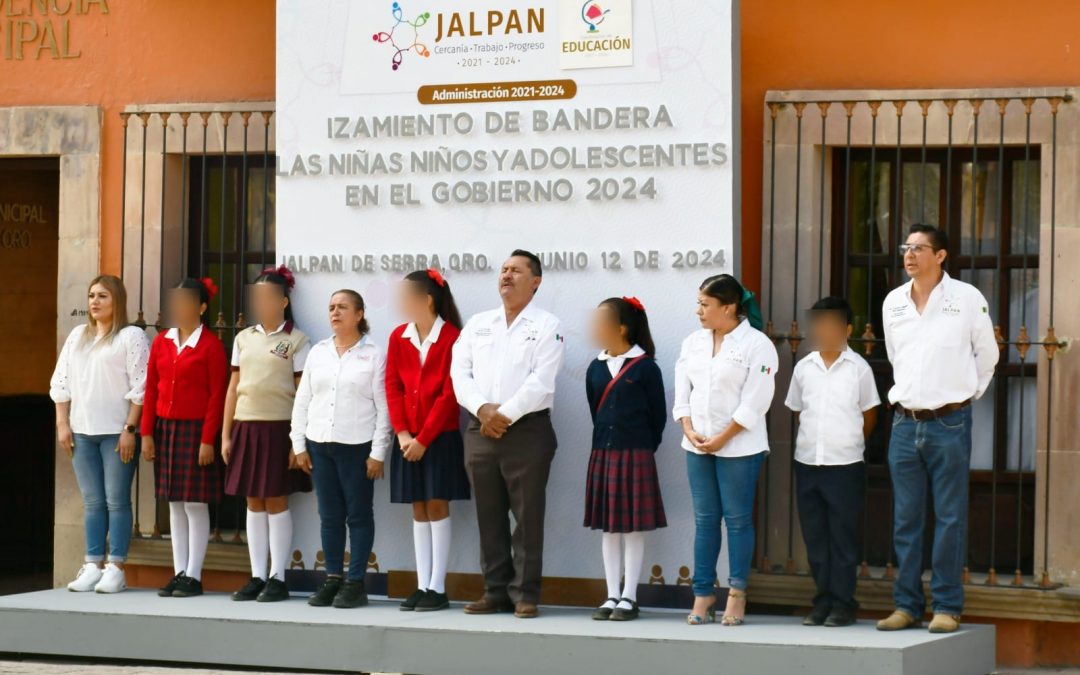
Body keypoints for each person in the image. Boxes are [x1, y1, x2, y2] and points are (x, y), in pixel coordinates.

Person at [877, 224, 998, 634]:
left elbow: (988, 355)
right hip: (904, 424)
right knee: (905, 519)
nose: (909, 254)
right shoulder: (893, 302)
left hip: (949, 421)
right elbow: (897, 357)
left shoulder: (966, 299)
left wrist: (962, 398)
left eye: (919, 248)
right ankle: (906, 605)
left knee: (949, 517)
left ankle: (947, 605)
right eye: (905, 247)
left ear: (941, 255)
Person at [451, 249, 564, 619]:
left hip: (527, 431)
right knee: (489, 515)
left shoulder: (547, 325)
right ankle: (495, 591)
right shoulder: (478, 324)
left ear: (535, 282)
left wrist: (504, 414)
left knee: (528, 516)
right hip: (480, 429)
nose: (506, 275)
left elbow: (541, 380)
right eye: (503, 269)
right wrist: (483, 410)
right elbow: (459, 374)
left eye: (516, 270)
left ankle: (525, 594)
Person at [674, 274, 777, 626]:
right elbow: (681, 391)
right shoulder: (692, 342)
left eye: (705, 304)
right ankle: (703, 593)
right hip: (697, 444)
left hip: (740, 446)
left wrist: (723, 436)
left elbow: (757, 399)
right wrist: (688, 428)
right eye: (698, 302)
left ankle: (736, 593)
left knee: (736, 520)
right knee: (704, 521)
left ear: (729, 307)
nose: (698, 310)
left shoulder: (757, 344)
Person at [291, 289, 391, 609]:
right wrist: (299, 443)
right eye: (331, 307)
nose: (334, 312)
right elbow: (303, 400)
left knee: (359, 516)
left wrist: (378, 452)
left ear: (359, 314)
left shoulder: (374, 354)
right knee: (329, 516)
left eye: (342, 307)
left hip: (357, 447)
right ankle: (332, 579)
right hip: (320, 445)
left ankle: (356, 583)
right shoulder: (319, 352)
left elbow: (384, 408)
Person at [50, 275, 149, 594]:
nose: (94, 301)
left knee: (116, 500)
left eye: (103, 296)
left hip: (116, 434)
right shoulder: (78, 335)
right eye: (91, 295)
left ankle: (115, 566)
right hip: (82, 433)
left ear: (117, 300)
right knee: (92, 501)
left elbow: (141, 387)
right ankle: (92, 563)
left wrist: (130, 430)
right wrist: (63, 424)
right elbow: (60, 383)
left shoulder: (131, 336)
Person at [785, 296, 880, 627]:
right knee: (815, 538)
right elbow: (799, 411)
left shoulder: (859, 369)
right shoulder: (803, 367)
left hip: (845, 465)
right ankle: (822, 600)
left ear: (848, 329)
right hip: (808, 461)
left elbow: (869, 414)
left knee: (842, 537)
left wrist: (849, 442)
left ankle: (843, 603)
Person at [222, 266, 311, 603]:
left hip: (279, 428)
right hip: (246, 425)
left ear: (283, 301)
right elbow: (233, 388)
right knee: (253, 501)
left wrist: (296, 441)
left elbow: (303, 392)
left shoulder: (297, 341)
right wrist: (225, 435)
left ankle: (278, 577)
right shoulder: (243, 338)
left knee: (275, 500)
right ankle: (257, 575)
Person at [385, 269, 470, 613]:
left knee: (436, 505)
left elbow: (451, 394)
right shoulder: (398, 337)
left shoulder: (453, 337)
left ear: (427, 299)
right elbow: (392, 387)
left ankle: (438, 586)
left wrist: (424, 437)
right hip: (408, 439)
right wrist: (404, 434)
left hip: (439, 437)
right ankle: (422, 585)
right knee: (418, 509)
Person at [141, 277, 228, 598]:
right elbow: (151, 389)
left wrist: (208, 440)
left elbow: (217, 396)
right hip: (166, 429)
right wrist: (147, 432)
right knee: (175, 503)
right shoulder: (162, 341)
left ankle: (194, 574)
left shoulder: (211, 346)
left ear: (202, 307)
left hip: (195, 431)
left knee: (195, 502)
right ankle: (179, 571)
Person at [584, 296, 667, 622]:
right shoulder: (595, 367)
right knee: (609, 528)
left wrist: (643, 448)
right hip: (604, 452)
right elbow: (596, 409)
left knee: (633, 528)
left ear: (621, 328)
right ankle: (611, 594)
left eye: (601, 321)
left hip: (636, 453)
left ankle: (630, 596)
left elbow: (657, 416)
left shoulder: (645, 367)